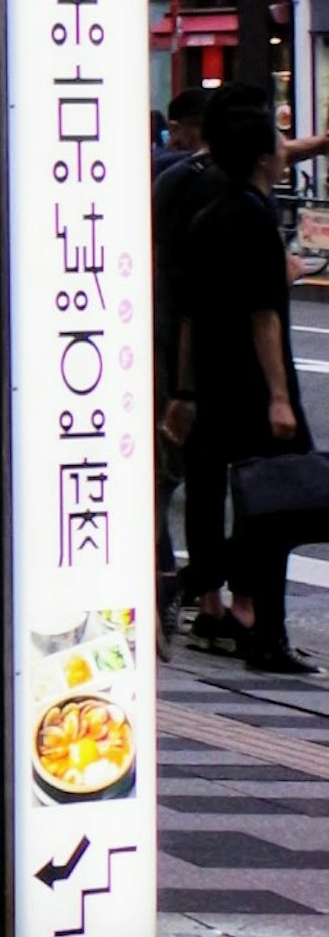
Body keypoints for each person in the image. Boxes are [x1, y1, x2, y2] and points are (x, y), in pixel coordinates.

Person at [164, 84, 312, 675]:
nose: (283, 150)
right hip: (252, 385)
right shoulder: (252, 219)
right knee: (277, 505)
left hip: (212, 384)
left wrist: (184, 392)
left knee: (211, 488)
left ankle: (211, 596)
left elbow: (191, 318)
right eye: (278, 144)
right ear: (261, 159)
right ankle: (257, 626)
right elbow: (263, 315)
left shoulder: (206, 216)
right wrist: (279, 395)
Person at [153, 87, 217, 602]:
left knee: (178, 473)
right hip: (178, 345)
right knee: (177, 470)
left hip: (167, 337)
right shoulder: (185, 178)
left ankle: (178, 582)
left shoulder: (170, 177)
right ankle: (175, 581)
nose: (174, 138)